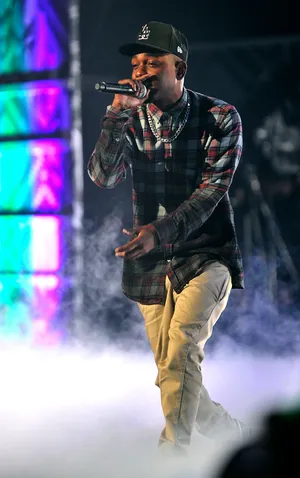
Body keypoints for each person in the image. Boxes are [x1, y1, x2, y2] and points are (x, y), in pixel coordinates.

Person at [88, 20, 248, 456]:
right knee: (172, 374)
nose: (140, 71)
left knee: (181, 356)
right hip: (151, 261)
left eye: (153, 62)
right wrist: (116, 113)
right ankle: (233, 437)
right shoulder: (131, 116)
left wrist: (159, 231)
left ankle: (172, 457)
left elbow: (212, 191)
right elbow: (103, 177)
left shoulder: (220, 116)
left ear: (179, 67)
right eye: (136, 63)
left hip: (206, 255)